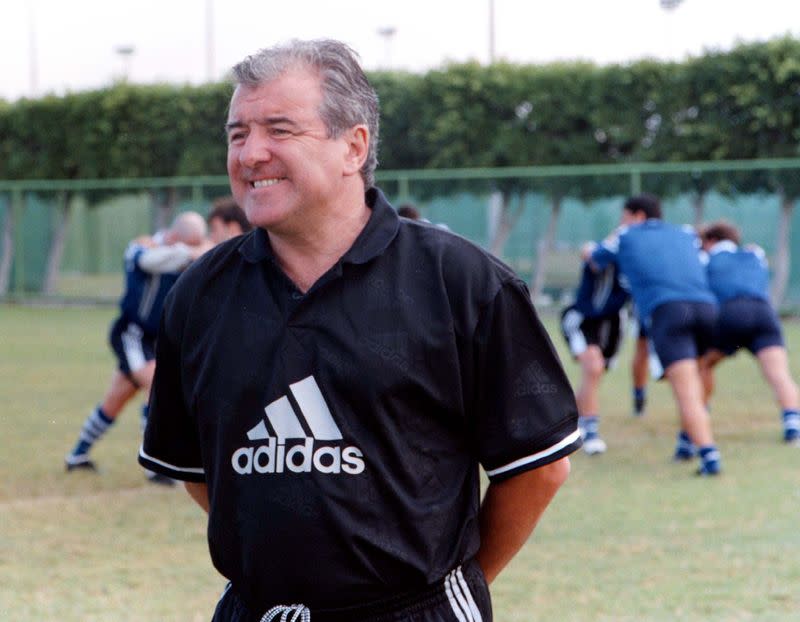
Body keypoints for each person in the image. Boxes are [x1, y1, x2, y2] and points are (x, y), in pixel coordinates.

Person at [139, 39, 581, 622]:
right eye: (237, 133)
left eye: (280, 130)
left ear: (354, 145)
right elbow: (202, 471)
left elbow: (538, 467)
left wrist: (450, 583)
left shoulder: (462, 282)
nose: (251, 154)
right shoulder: (199, 293)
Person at [65, 211, 211, 484]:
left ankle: (77, 455)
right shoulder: (144, 245)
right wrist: (190, 251)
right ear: (175, 236)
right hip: (133, 334)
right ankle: (155, 468)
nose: (192, 249)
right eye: (189, 242)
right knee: (157, 388)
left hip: (158, 340)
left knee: (116, 399)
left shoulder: (186, 254)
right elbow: (149, 261)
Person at [590, 194, 722, 476]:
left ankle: (709, 454)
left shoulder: (625, 234)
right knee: (703, 373)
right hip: (707, 307)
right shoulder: (686, 233)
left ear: (637, 216)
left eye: (624, 216)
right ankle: (689, 440)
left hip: (668, 310)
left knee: (686, 390)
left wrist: (588, 250)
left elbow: (596, 260)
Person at [698, 220, 800, 445]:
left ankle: (699, 414)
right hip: (764, 313)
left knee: (703, 364)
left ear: (711, 241)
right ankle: (793, 426)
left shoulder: (707, 258)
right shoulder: (754, 255)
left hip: (730, 313)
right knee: (779, 374)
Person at [561, 241, 630, 454]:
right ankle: (590, 433)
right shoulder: (609, 249)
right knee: (593, 367)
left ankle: (562, 420)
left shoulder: (636, 263)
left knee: (594, 376)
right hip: (583, 320)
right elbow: (588, 250)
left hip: (612, 326)